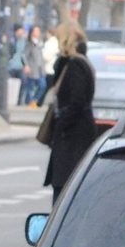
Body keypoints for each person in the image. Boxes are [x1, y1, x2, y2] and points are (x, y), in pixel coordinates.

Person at [42, 21, 97, 199]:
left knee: (65, 187)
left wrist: (63, 121)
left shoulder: (74, 66)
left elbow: (77, 101)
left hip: (72, 137)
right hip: (78, 134)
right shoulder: (82, 62)